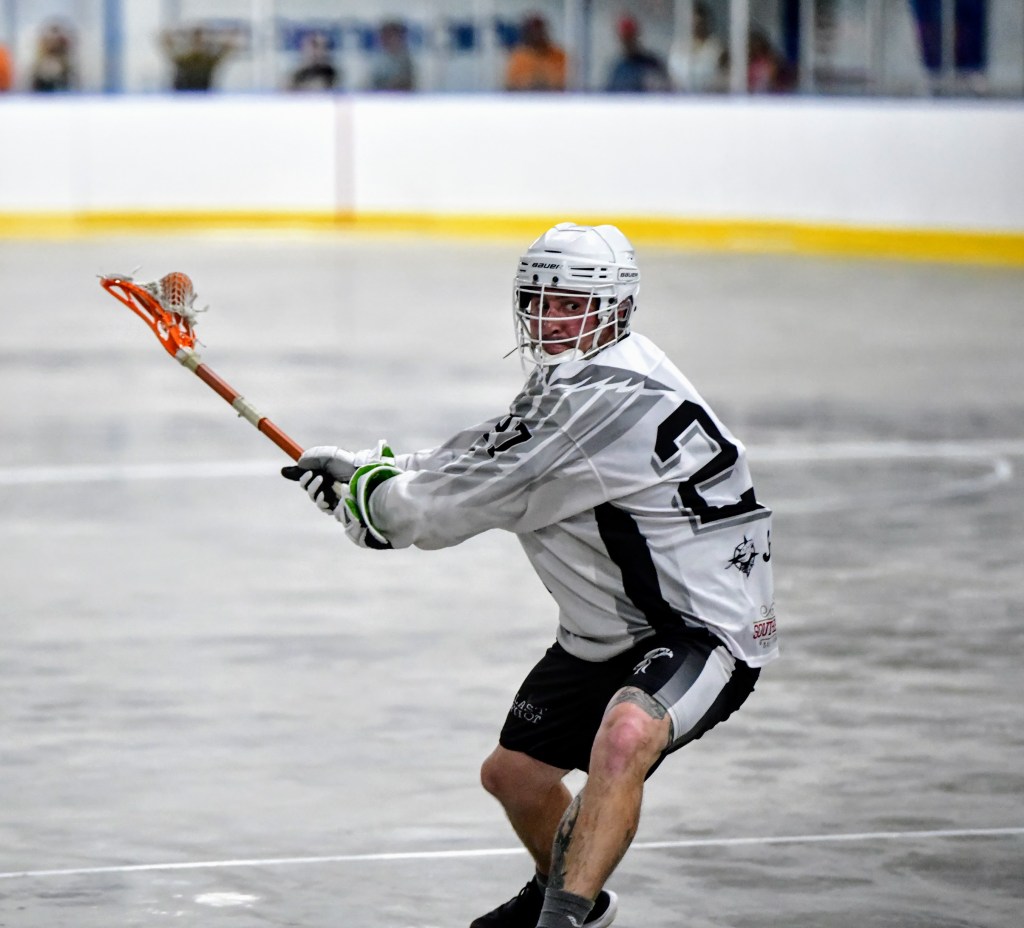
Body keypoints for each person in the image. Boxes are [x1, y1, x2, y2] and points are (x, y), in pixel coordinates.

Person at [283, 222, 779, 928]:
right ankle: (573, 900)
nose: (550, 319)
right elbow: (492, 452)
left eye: (572, 304)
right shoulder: (589, 376)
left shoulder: (601, 402)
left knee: (625, 737)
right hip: (610, 627)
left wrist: (376, 504)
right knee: (513, 777)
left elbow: (458, 505)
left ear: (617, 307)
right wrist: (376, 469)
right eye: (539, 301)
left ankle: (561, 920)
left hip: (699, 628)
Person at [667, 1, 726, 93]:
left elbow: (723, 77)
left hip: (709, 96)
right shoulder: (677, 47)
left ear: (706, 23)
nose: (696, 27)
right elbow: (672, 76)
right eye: (693, 23)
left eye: (699, 23)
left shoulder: (716, 48)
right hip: (680, 96)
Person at [161, 24, 236, 92]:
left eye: (200, 40)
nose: (198, 42)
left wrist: (228, 44)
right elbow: (169, 49)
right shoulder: (184, 59)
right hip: (183, 96)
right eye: (195, 40)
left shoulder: (208, 60)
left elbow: (224, 52)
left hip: (203, 96)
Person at [604, 16, 670, 93]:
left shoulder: (651, 64)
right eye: (624, 39)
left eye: (630, 38)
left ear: (636, 37)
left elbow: (666, 88)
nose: (627, 43)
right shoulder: (618, 69)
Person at [504, 14, 566, 92]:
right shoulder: (518, 58)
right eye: (532, 32)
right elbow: (510, 87)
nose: (536, 36)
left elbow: (567, 84)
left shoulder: (560, 56)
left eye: (539, 31)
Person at [30, 20, 77, 92]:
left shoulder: (63, 52)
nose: (53, 43)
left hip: (60, 67)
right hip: (44, 69)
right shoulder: (43, 48)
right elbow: (40, 57)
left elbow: (66, 59)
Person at [368, 19, 415, 91]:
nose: (385, 39)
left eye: (390, 36)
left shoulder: (404, 60)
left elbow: (405, 83)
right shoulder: (378, 58)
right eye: (384, 36)